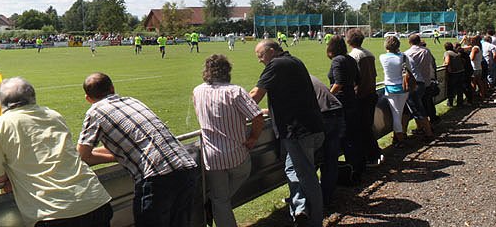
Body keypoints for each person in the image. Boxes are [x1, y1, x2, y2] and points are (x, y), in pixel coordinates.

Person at [0, 77, 113, 226]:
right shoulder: (53, 115)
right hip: (95, 201)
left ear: (2, 102)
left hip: (54, 213)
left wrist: (11, 177)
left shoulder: (0, 126)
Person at [78, 72, 199, 226]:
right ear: (112, 88)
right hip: (186, 166)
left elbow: (83, 155)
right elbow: (136, 141)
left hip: (157, 176)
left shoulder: (95, 112)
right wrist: (118, 154)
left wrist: (114, 157)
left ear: (88, 98)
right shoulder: (132, 101)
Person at [249, 40, 325, 226]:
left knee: (307, 176)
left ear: (272, 51)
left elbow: (255, 96)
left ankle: (316, 221)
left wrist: (231, 107)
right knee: (292, 169)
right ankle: (300, 210)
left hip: (298, 131)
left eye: (260, 56)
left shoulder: (276, 64)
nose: (259, 60)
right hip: (310, 127)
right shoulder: (294, 61)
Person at [192, 55, 264, 227]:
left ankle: (215, 203)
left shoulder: (197, 91)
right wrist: (253, 137)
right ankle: (215, 202)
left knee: (220, 199)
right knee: (240, 176)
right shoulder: (235, 91)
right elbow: (257, 116)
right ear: (227, 71)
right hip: (236, 153)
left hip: (211, 156)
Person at [328, 36, 367, 183]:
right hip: (353, 100)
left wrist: (328, 96)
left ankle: (351, 170)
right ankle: (359, 166)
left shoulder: (337, 60)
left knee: (346, 137)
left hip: (342, 102)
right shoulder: (350, 59)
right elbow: (358, 79)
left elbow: (338, 83)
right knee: (354, 135)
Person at [346, 29, 382, 166]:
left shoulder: (353, 56)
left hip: (361, 96)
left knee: (362, 128)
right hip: (371, 93)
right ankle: (371, 153)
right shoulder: (369, 54)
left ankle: (372, 155)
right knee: (367, 126)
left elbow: (354, 78)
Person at [309, 74, 346, 203]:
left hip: (324, 116)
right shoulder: (311, 78)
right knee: (331, 159)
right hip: (336, 111)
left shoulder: (295, 81)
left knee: (311, 159)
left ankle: (311, 199)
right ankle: (326, 197)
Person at [379, 36, 417, 143]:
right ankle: (398, 136)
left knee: (396, 114)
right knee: (399, 113)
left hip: (390, 89)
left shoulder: (382, 57)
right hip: (403, 88)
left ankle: (399, 139)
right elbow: (409, 69)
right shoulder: (404, 57)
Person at [404, 35, 437, 136]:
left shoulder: (407, 53)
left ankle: (425, 129)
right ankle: (425, 127)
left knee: (418, 108)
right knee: (425, 105)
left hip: (414, 82)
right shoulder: (426, 51)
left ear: (409, 42)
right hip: (426, 81)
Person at [443, 42, 470, 107]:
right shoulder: (456, 53)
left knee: (451, 89)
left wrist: (445, 66)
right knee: (459, 89)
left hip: (454, 73)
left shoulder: (447, 53)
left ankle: (450, 103)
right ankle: (460, 103)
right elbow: (463, 61)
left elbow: (447, 62)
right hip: (461, 72)